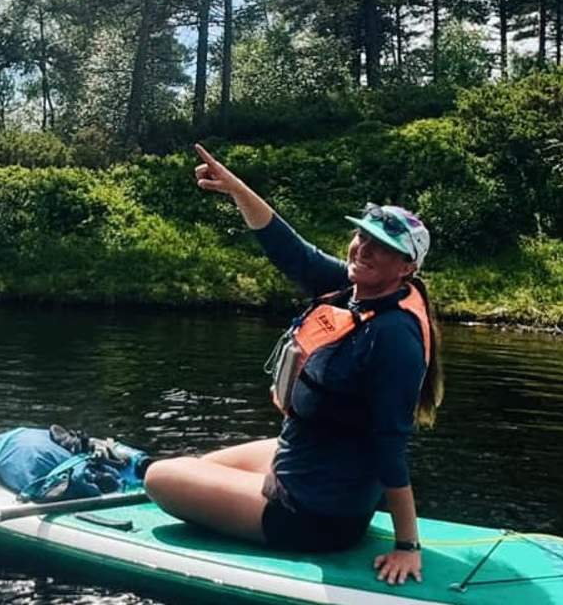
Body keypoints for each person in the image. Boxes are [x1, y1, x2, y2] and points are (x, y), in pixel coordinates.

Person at [142, 144, 445, 586]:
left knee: (158, 478)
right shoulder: (353, 290)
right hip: (308, 457)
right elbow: (292, 251)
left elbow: (390, 444)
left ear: (407, 266)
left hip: (315, 513)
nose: (363, 248)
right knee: (201, 463)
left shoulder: (394, 336)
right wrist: (236, 189)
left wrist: (407, 545)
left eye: (382, 246)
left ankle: (263, 518)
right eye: (363, 236)